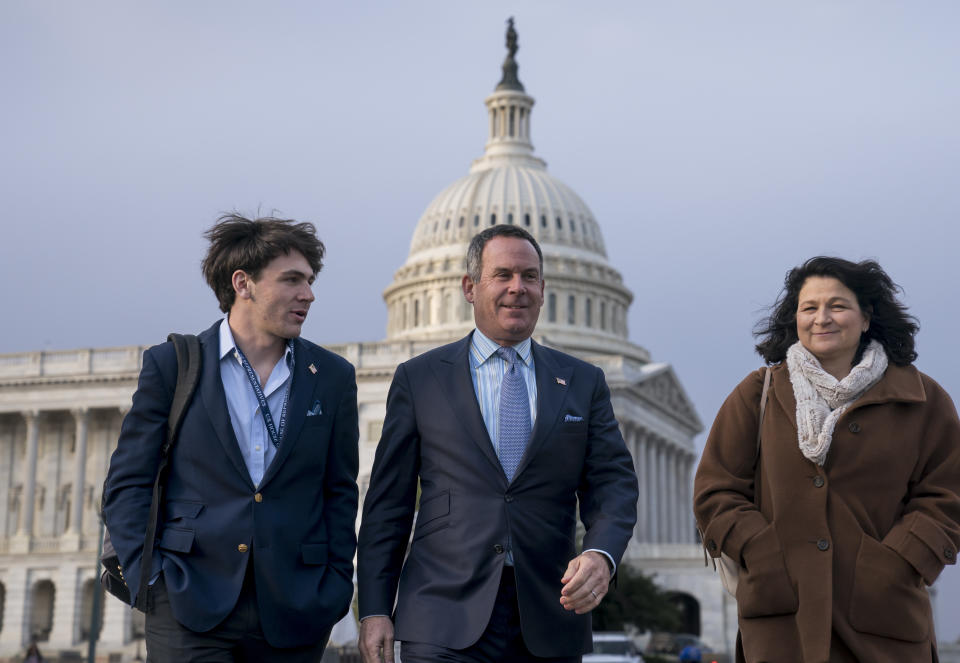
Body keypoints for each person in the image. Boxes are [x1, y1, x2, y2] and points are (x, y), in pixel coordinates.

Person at [357, 225, 639, 663]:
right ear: (470, 287)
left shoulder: (583, 382)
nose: (517, 288)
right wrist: (374, 608)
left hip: (549, 610)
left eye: (529, 277)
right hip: (441, 616)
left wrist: (601, 554)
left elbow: (614, 486)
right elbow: (387, 507)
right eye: (503, 274)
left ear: (544, 290)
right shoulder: (420, 379)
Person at [103, 214, 359, 662]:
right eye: (292, 280)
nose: (309, 294)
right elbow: (127, 484)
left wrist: (336, 584)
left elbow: (339, 491)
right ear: (243, 283)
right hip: (188, 602)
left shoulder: (333, 376)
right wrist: (151, 580)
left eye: (311, 280)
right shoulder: (173, 366)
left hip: (295, 608)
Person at [694, 257, 960, 663]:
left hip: (884, 621)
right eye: (809, 307)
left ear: (866, 317)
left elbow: (947, 495)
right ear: (795, 318)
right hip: (784, 617)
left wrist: (897, 564)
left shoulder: (924, 400)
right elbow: (716, 490)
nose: (822, 318)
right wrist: (762, 552)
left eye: (837, 305)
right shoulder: (756, 394)